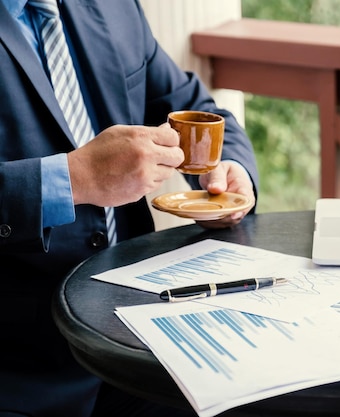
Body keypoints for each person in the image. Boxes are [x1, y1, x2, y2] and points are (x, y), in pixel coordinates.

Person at [0, 0, 259, 415]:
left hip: (150, 338)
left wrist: (231, 170)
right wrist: (74, 177)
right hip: (23, 372)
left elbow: (198, 108)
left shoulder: (114, 7)